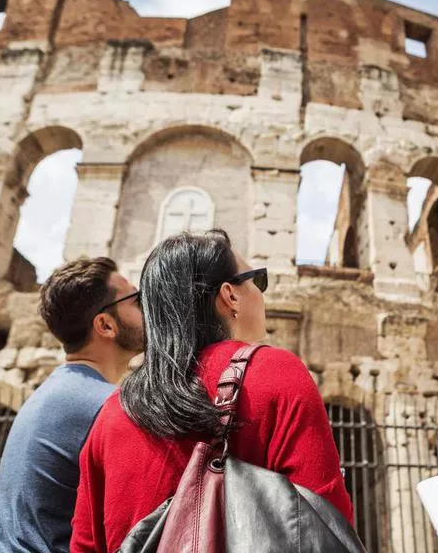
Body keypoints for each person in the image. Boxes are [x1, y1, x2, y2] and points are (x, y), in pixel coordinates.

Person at [70, 229, 354, 552]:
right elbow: (327, 528)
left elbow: (85, 544)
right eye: (257, 280)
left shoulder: (112, 412)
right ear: (229, 296)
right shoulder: (277, 374)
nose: (262, 293)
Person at [0, 257, 144, 553]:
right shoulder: (105, 406)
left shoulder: (51, 393)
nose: (147, 308)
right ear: (106, 325)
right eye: (136, 300)